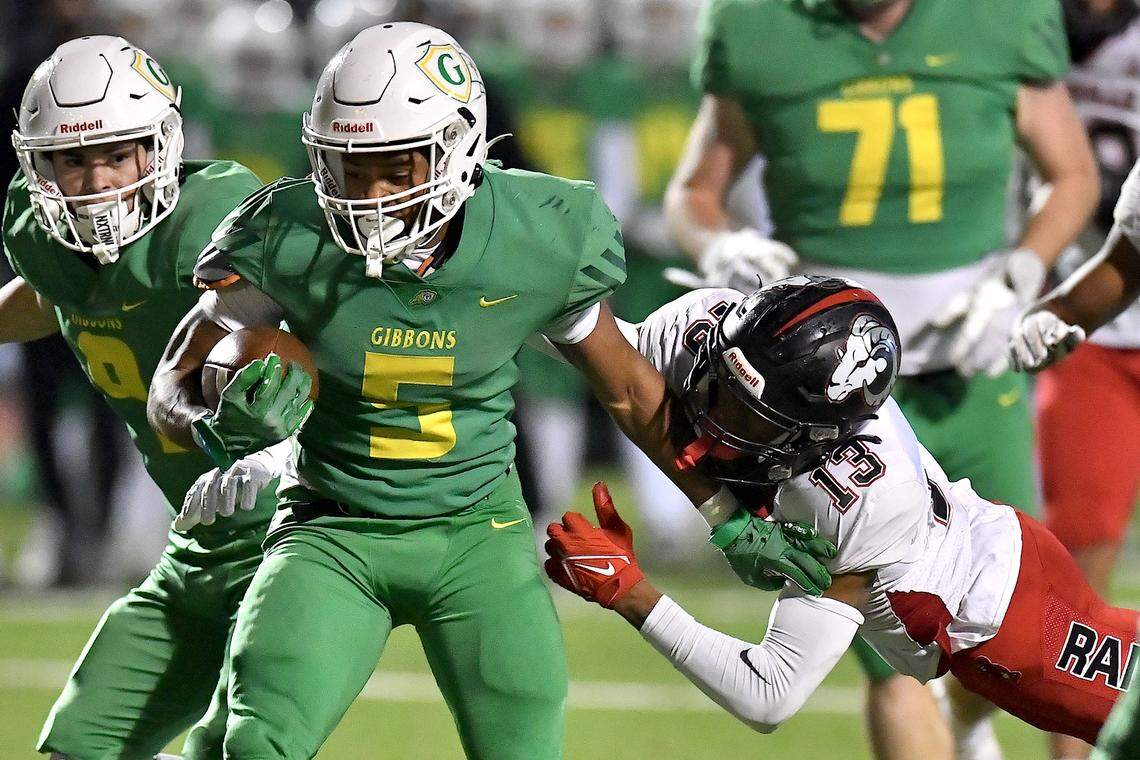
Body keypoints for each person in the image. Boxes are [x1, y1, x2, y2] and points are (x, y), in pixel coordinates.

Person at [146, 22, 831, 759]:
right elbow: (174, 381)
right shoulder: (284, 232)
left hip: (478, 534)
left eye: (396, 168)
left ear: (458, 147)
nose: (369, 195)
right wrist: (214, 424)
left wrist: (726, 515)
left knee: (523, 743)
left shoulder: (536, 234)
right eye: (349, 168)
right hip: (330, 526)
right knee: (257, 742)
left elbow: (631, 391)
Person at [663, 0, 1100, 755]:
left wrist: (1021, 274)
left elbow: (1072, 177)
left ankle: (970, 727)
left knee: (1049, 630)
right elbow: (692, 193)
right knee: (892, 661)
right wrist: (723, 245)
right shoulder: (757, 24)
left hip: (971, 370)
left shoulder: (999, 17)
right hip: (820, 413)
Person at [546, 276, 1140, 748]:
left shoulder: (859, 501)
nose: (720, 417)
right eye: (727, 385)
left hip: (1004, 623)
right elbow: (600, 351)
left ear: (819, 435)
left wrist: (632, 593)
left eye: (756, 419)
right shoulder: (708, 327)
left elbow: (769, 693)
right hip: (991, 568)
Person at [0, 35, 287, 759]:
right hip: (202, 545)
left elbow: (340, 320)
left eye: (117, 154)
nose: (97, 181)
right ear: (39, 165)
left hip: (301, 537)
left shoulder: (213, 226)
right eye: (73, 159)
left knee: (237, 746)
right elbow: (53, 295)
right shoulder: (47, 244)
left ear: (160, 147)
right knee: (79, 744)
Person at [1024, 3, 1140, 755]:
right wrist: (1039, 308)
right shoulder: (1019, 33)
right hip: (1095, 338)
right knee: (1078, 558)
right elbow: (1120, 268)